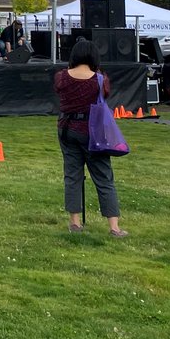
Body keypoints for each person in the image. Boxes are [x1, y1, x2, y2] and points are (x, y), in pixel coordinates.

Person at [56, 40, 126, 237]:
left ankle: (74, 222)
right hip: (93, 132)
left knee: (72, 175)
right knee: (103, 176)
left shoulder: (61, 77)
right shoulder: (100, 80)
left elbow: (59, 90)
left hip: (67, 129)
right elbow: (106, 94)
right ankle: (114, 227)